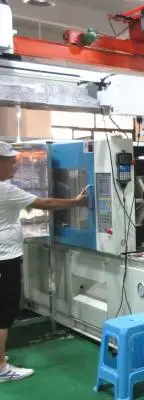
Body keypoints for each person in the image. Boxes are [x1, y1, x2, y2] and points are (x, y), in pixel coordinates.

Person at [0, 142, 88, 382]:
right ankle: (2, 369)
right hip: (5, 260)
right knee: (4, 314)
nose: (15, 166)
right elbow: (45, 204)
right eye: (11, 162)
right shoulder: (5, 190)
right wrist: (76, 202)